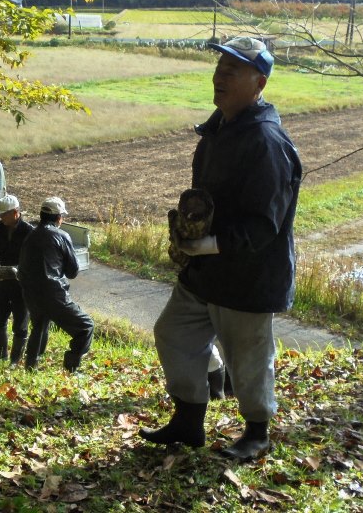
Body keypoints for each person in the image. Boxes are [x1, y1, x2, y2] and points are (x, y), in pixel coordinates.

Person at [139, 36, 302, 461]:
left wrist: (207, 244)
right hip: (205, 273)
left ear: (259, 83)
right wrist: (193, 238)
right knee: (174, 332)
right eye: (219, 69)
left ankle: (257, 432)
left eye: (233, 71)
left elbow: (263, 226)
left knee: (247, 357)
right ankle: (189, 421)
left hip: (248, 275)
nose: (219, 77)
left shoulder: (266, 142)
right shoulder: (220, 131)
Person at [18, 197, 94, 373]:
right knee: (86, 326)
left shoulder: (30, 236)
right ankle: (71, 366)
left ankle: (31, 366)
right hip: (54, 294)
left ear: (41, 215)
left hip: (30, 293)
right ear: (59, 217)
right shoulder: (61, 235)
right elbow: (72, 271)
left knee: (39, 325)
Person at [0, 194, 33, 364]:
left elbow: (34, 259)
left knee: (20, 323)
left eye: (4, 214)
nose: (1, 217)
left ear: (15, 212)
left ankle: (15, 359)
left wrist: (20, 270)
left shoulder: (29, 231)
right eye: (0, 214)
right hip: (2, 280)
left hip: (21, 284)